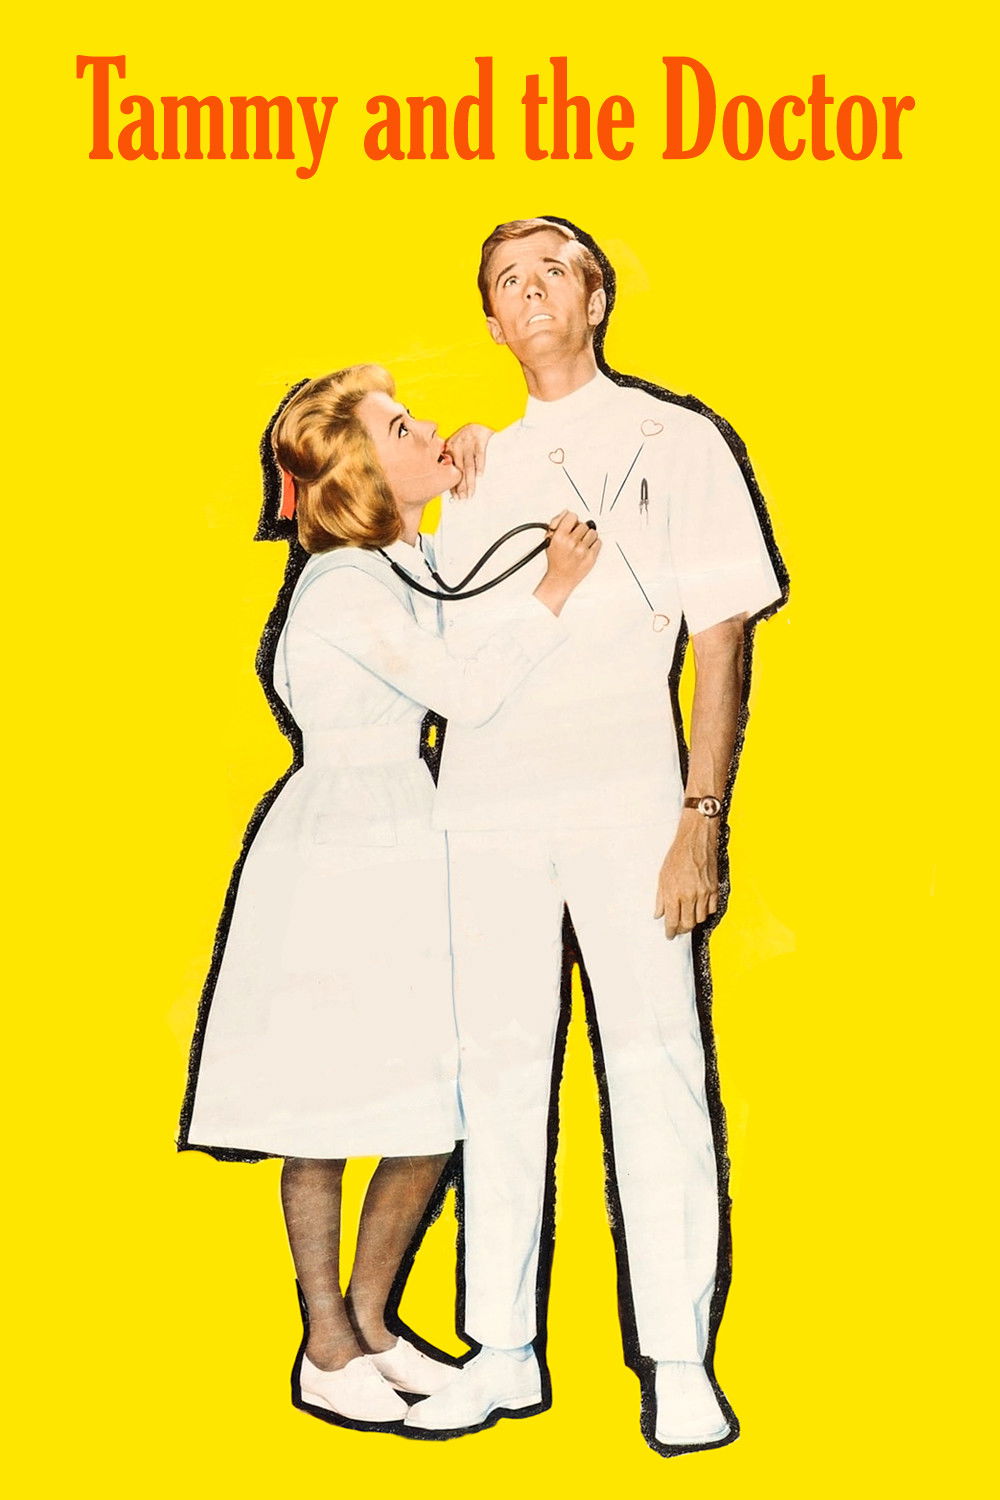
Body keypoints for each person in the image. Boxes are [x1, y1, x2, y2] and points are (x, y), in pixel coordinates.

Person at [404, 222, 785, 1449]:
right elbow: (440, 646)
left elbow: (720, 634)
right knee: (495, 1073)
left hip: (628, 803)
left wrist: (700, 818)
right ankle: (502, 1350)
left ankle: (677, 1358)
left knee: (656, 1066)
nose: (532, 294)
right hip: (484, 810)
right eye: (507, 282)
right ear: (491, 320)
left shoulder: (676, 440)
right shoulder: (468, 469)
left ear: (597, 295)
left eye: (553, 272)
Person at [179, 362, 600, 1426]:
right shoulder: (342, 585)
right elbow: (463, 685)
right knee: (325, 1106)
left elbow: (453, 606)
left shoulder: (393, 563)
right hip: (339, 853)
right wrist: (553, 588)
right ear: (364, 470)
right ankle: (325, 1346)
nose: (429, 430)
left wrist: (457, 485)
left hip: (410, 836)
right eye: (403, 427)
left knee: (429, 1102)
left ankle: (370, 1322)